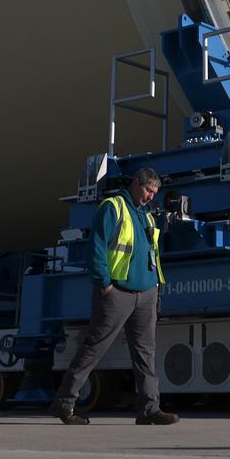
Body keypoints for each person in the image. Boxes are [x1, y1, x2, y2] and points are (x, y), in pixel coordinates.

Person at [51, 166, 178, 425]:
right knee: (94, 348)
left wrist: (154, 286)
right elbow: (96, 249)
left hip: (146, 293)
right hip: (117, 293)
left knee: (145, 354)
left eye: (154, 193)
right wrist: (105, 285)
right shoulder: (113, 207)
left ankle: (149, 409)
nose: (150, 196)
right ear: (135, 183)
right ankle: (64, 404)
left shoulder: (147, 215)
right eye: (148, 190)